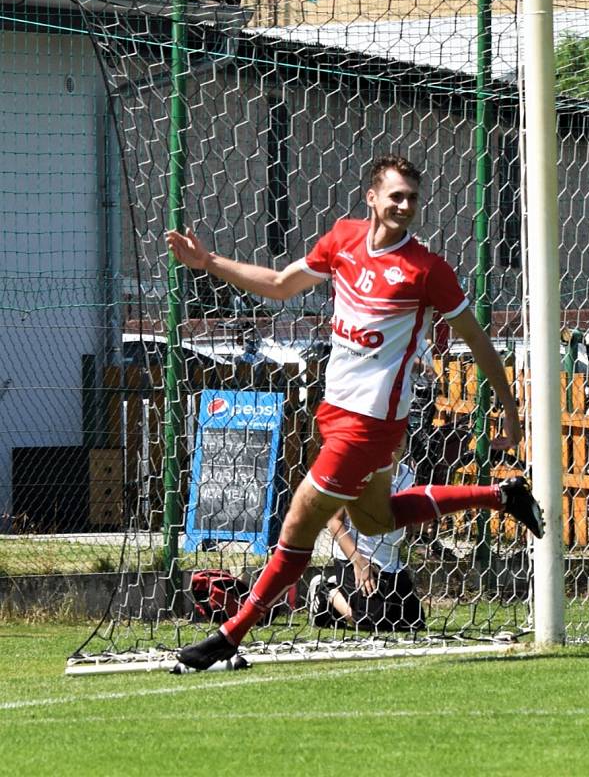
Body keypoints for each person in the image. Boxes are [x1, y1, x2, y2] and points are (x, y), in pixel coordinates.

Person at [167, 154, 544, 668]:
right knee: (376, 516)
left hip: (369, 424)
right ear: (372, 197)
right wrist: (209, 264)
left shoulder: (427, 270)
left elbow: (477, 340)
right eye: (396, 196)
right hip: (338, 412)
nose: (405, 206)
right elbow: (280, 284)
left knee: (299, 521)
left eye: (412, 198)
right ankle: (502, 495)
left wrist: (511, 410)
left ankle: (228, 637)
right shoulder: (343, 239)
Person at [309, 435, 425, 632]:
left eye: (400, 432)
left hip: (390, 563)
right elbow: (334, 521)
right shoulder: (358, 471)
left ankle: (341, 594)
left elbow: (409, 522)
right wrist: (358, 561)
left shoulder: (409, 476)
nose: (396, 439)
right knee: (370, 622)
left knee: (414, 622)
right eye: (390, 432)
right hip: (356, 559)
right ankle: (325, 592)